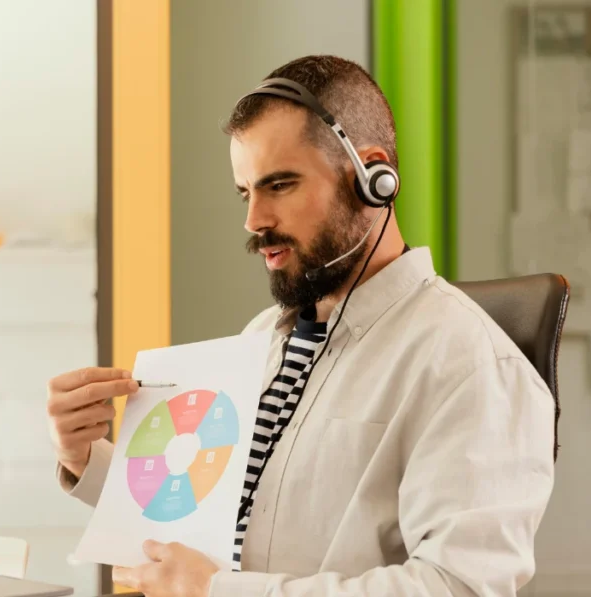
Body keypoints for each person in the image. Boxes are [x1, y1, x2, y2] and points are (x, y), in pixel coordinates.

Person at [46, 55, 556, 597]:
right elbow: (202, 520)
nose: (254, 220)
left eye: (280, 185)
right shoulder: (264, 338)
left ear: (373, 177)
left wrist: (219, 591)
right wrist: (85, 459)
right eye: (246, 193)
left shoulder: (469, 363)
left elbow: (459, 586)